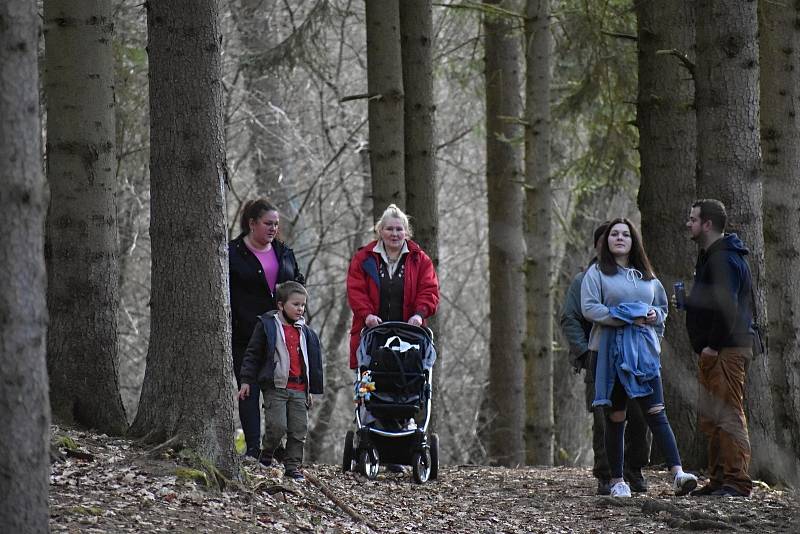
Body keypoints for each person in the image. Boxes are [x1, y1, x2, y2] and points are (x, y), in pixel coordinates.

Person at [581, 218, 698, 498]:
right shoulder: (597, 273)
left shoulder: (646, 276)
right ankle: (617, 480)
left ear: (634, 241)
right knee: (616, 416)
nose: (620, 238)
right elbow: (589, 308)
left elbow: (661, 309)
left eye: (625, 234)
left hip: (643, 354)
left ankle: (678, 474)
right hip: (608, 352)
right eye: (614, 235)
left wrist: (653, 315)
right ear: (606, 241)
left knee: (656, 412)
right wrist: (623, 317)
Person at [560, 222, 651, 495]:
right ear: (598, 245)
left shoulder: (637, 277)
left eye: (622, 236)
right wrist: (585, 353)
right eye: (607, 239)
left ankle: (634, 469)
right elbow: (570, 318)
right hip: (599, 358)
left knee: (639, 415)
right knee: (604, 418)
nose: (614, 243)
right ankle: (606, 473)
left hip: (634, 357)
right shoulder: (584, 279)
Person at [683, 199, 754, 497]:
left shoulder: (724, 259)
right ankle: (719, 479)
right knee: (713, 417)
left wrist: (712, 345)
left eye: (693, 218)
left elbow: (729, 307)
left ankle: (736, 482)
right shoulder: (711, 257)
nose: (688, 223)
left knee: (728, 414)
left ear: (707, 224)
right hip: (715, 351)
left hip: (726, 350)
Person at [229, 199, 304, 460]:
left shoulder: (284, 253)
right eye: (267, 223)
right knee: (248, 389)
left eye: (276, 224)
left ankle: (272, 446)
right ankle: (251, 447)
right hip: (245, 334)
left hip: (280, 335)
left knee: (279, 390)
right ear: (252, 223)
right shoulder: (232, 253)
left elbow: (298, 286)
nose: (273, 228)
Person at [238, 281, 323, 481]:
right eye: (295, 304)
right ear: (280, 305)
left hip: (300, 388)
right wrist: (246, 381)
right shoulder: (268, 325)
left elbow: (311, 362)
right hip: (276, 386)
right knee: (277, 426)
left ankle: (292, 467)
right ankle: (267, 452)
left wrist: (311, 389)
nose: (300, 309)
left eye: (303, 305)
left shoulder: (306, 332)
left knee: (298, 430)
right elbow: (252, 355)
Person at [346, 204, 440, 370]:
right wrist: (367, 315)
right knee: (366, 389)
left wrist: (419, 315)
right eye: (389, 229)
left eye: (399, 229)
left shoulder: (421, 260)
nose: (394, 234)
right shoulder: (362, 259)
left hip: (409, 337)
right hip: (371, 336)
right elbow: (356, 292)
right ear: (380, 231)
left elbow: (429, 291)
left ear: (406, 232)